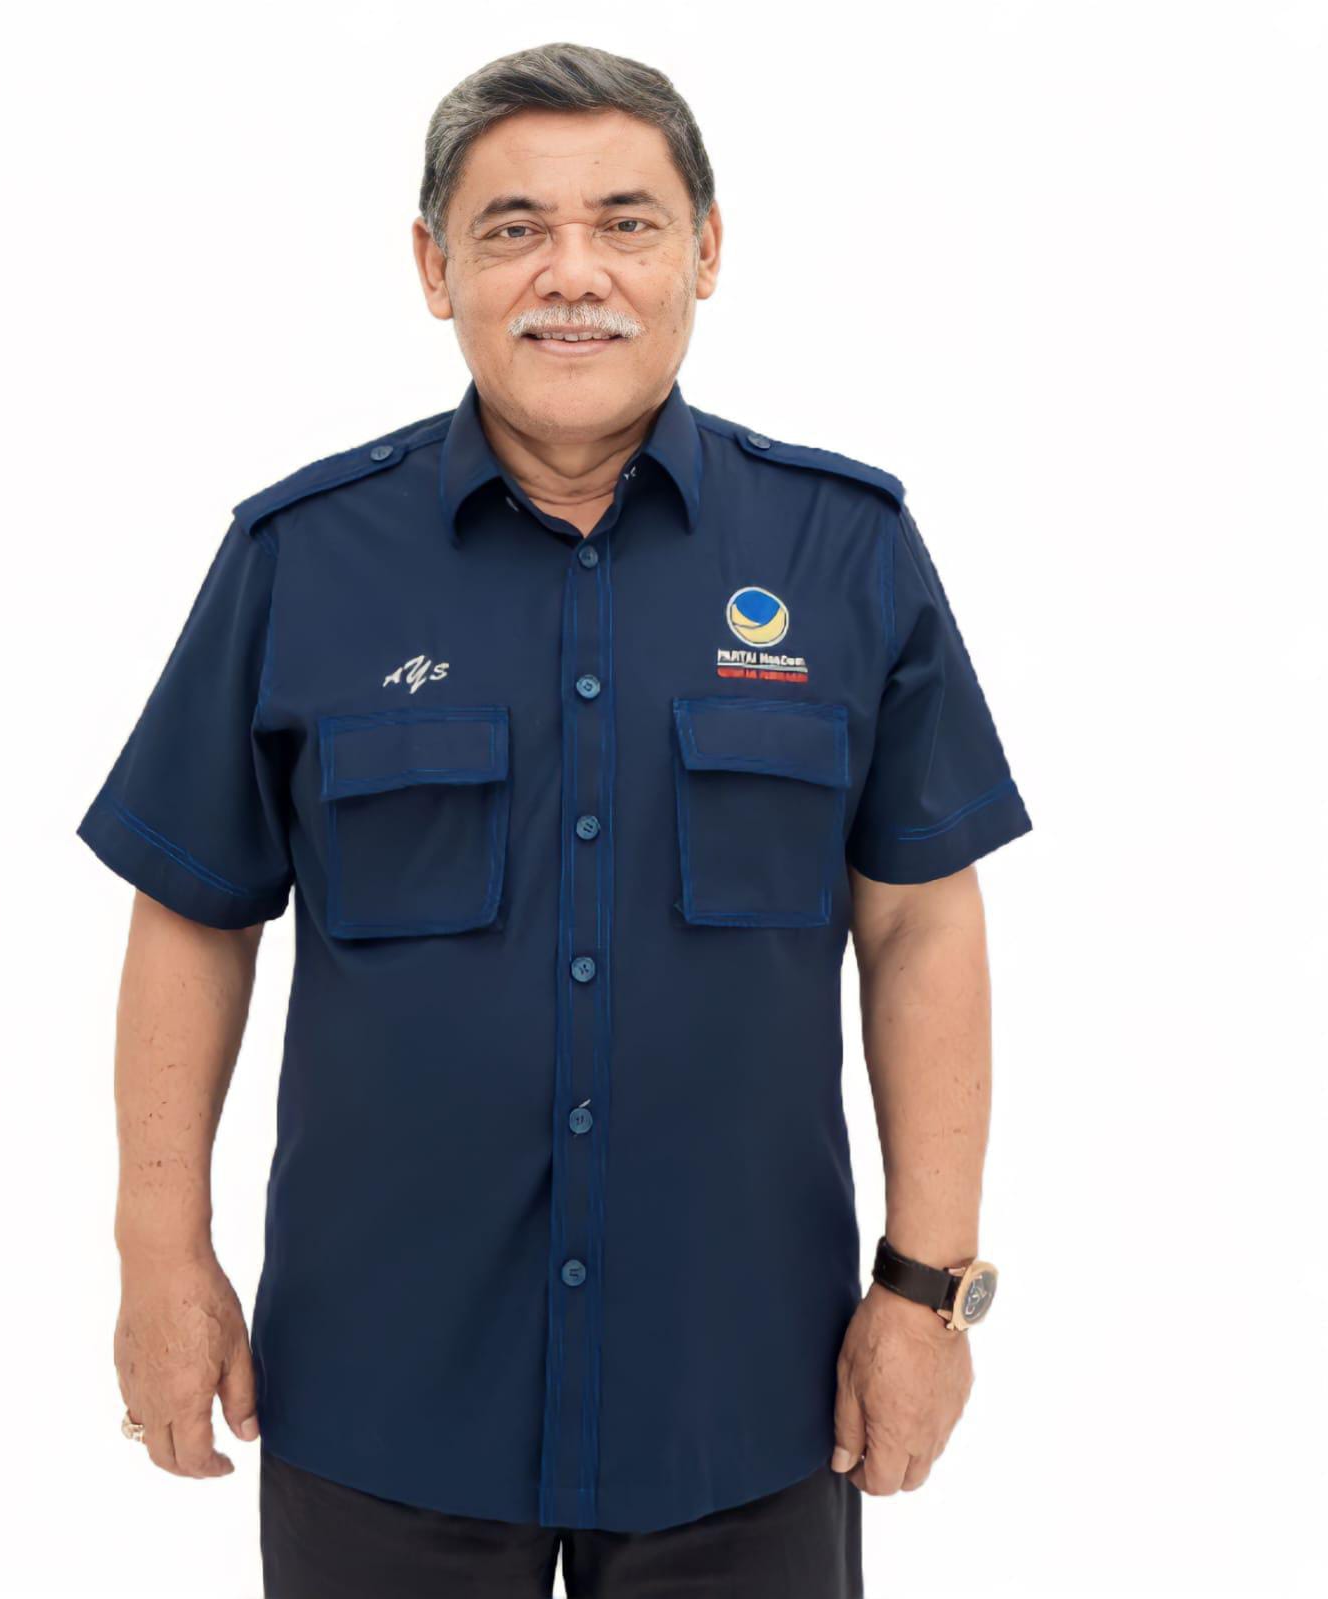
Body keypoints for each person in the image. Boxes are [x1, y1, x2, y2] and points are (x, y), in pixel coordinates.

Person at [78, 39, 1031, 1599]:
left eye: (626, 223)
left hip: (749, 1399)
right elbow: (192, 908)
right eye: (514, 227)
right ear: (433, 265)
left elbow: (921, 918)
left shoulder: (847, 552)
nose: (571, 273)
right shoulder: (301, 559)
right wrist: (158, 1259)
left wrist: (927, 1295)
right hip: (382, 1396)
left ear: (704, 251)